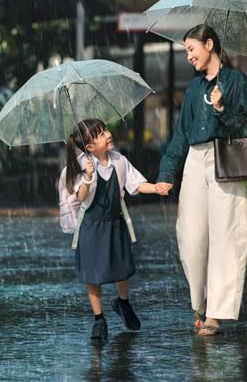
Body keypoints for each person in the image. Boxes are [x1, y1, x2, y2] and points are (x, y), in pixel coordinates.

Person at [155, 24, 247, 337]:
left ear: (209, 44)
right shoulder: (193, 89)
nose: (188, 56)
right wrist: (167, 173)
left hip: (225, 158)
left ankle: (215, 313)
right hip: (195, 160)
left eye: (191, 49)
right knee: (190, 238)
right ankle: (199, 300)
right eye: (186, 50)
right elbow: (180, 135)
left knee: (226, 237)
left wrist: (223, 108)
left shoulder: (237, 81)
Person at [60, 118, 168, 340]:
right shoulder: (83, 164)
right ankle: (99, 319)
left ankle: (123, 302)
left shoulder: (119, 160)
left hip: (115, 223)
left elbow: (136, 184)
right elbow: (80, 197)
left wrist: (155, 187)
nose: (108, 134)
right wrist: (88, 176)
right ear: (90, 146)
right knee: (92, 274)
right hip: (91, 226)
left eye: (106, 130)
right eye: (101, 134)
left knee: (121, 268)